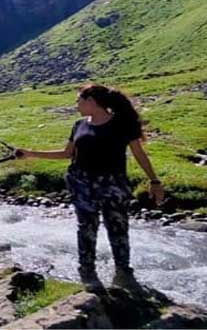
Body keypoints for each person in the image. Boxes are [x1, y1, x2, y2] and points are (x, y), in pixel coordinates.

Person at [15, 84, 164, 293]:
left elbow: (139, 154)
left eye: (79, 100)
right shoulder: (78, 125)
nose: (76, 105)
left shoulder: (121, 124)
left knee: (118, 228)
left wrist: (154, 181)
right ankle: (88, 273)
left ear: (91, 101)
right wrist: (30, 153)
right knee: (86, 227)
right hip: (81, 183)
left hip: (113, 184)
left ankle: (123, 273)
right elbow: (67, 154)